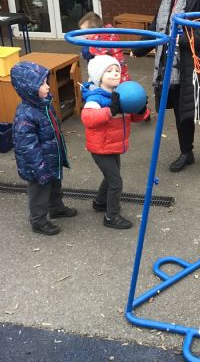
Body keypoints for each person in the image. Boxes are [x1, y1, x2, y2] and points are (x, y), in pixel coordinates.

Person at [132, 0, 200, 179]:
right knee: (181, 111)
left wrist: (177, 40)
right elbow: (158, 26)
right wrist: (139, 48)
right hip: (173, 66)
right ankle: (186, 152)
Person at [81, 55, 150, 230]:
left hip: (114, 145)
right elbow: (88, 118)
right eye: (109, 71)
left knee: (111, 176)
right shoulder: (96, 98)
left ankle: (100, 202)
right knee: (116, 182)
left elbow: (133, 117)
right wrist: (110, 110)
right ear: (99, 77)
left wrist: (141, 109)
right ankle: (111, 217)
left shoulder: (122, 94)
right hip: (100, 147)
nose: (115, 73)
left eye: (117, 70)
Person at [11, 62, 78, 235]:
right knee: (39, 193)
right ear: (29, 89)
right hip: (37, 165)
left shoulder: (44, 105)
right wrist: (39, 168)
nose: (47, 86)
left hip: (50, 157)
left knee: (55, 185)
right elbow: (28, 147)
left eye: (46, 82)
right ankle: (38, 220)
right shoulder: (25, 115)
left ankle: (56, 208)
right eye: (42, 84)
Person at [78, 12, 131, 83]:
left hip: (110, 77)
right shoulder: (109, 34)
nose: (83, 36)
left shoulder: (98, 41)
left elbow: (86, 53)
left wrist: (85, 48)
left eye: (84, 32)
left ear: (94, 30)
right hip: (121, 73)